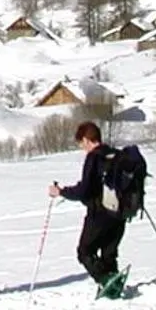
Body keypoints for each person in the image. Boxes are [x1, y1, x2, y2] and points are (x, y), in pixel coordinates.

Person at [52, 120, 129, 298]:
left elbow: (85, 189)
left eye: (81, 143)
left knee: (84, 252)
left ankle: (105, 280)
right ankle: (113, 288)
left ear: (87, 140)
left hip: (99, 213)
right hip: (120, 213)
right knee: (109, 253)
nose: (82, 148)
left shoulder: (94, 157)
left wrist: (62, 192)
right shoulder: (117, 155)